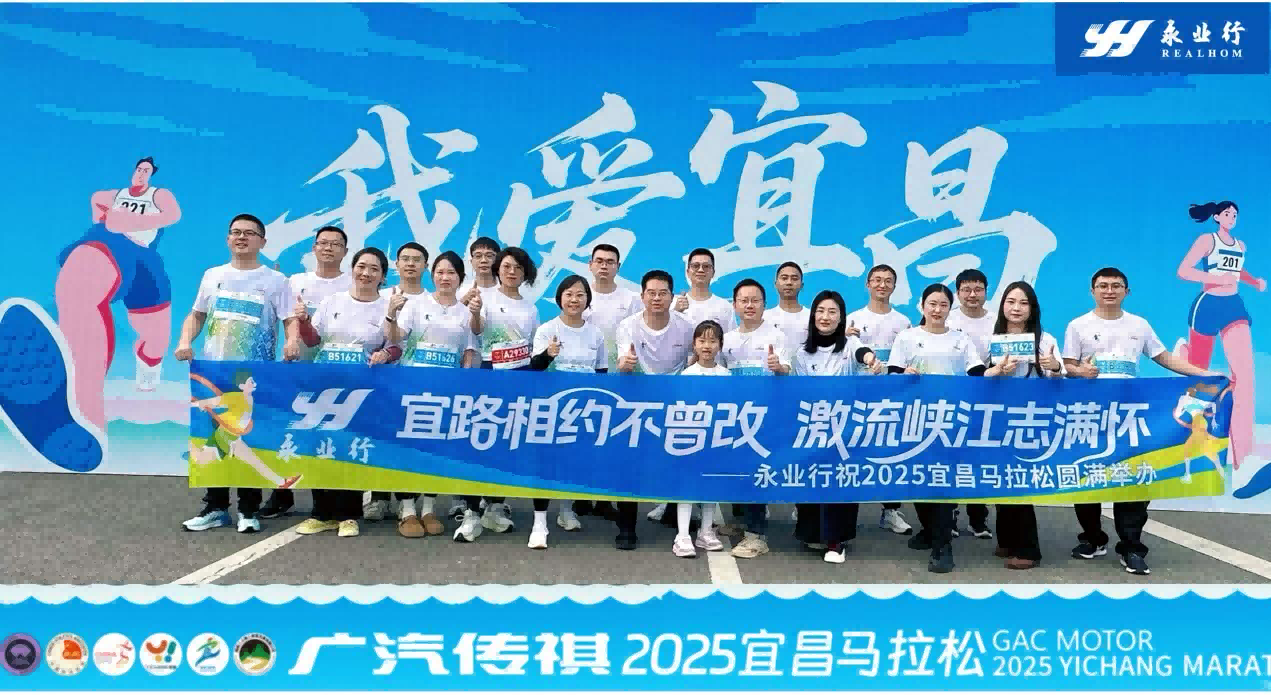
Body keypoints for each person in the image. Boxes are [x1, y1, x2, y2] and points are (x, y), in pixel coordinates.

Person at [1063, 267, 1217, 576]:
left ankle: (1131, 546)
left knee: (1134, 479)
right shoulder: (1078, 326)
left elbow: (1164, 357)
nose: (1109, 290)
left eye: (1116, 285)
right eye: (1103, 286)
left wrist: (1206, 375)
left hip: (1130, 416)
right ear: (1092, 291)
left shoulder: (1139, 325)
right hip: (1091, 415)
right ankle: (1093, 538)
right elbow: (1067, 365)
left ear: (1126, 291)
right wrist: (1080, 371)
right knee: (1086, 478)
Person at [176, 214, 292, 534]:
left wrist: (292, 341)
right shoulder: (213, 275)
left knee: (248, 439)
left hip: (253, 373)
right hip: (214, 370)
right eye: (235, 232)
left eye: (249, 233)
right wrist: (185, 342)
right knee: (214, 440)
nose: (241, 237)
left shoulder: (276, 280)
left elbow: (289, 320)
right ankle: (215, 508)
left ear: (262, 242)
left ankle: (249, 510)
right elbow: (197, 315)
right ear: (228, 239)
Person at [55, 158, 182, 438]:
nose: (141, 174)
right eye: (138, 169)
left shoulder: (157, 194)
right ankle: (83, 413)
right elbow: (97, 198)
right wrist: (104, 219)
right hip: (109, 241)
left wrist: (135, 220)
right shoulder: (117, 195)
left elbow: (173, 215)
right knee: (77, 287)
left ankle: (149, 364)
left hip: (145, 257)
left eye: (146, 171)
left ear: (151, 175)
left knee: (157, 339)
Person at [289, 247, 398, 539]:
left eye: (374, 269)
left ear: (383, 276)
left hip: (362, 389)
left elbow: (396, 345)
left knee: (351, 447)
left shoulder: (387, 307)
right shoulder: (332, 301)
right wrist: (304, 321)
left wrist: (385, 355)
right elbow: (313, 341)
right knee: (322, 445)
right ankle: (321, 514)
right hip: (325, 385)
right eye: (361, 266)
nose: (366, 273)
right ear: (353, 269)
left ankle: (349, 515)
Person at [888, 283, 990, 573]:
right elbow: (892, 373)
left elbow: (976, 372)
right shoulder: (907, 337)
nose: (937, 309)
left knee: (942, 482)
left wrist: (996, 371)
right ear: (922, 306)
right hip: (915, 419)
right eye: (932, 304)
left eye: (943, 304)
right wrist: (904, 374)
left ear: (950, 308)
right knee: (919, 480)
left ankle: (942, 546)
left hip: (950, 422)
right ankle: (930, 529)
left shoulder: (960, 339)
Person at [260, 226, 351, 520]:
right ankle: (281, 494)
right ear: (313, 248)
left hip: (336, 372)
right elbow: (282, 319)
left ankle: (328, 501)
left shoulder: (351, 284)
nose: (328, 248)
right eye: (323, 243)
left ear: (345, 251)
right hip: (297, 368)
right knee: (288, 431)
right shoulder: (295, 282)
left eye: (335, 244)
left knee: (326, 435)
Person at [1173, 201, 1265, 488]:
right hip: (1207, 306)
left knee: (1244, 375)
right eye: (1227, 214)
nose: (1232, 218)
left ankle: (1242, 455)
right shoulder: (1207, 240)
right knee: (1198, 372)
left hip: (1233, 306)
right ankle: (1183, 356)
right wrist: (1214, 278)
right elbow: (1184, 271)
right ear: (1216, 217)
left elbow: (1237, 272)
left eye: (1235, 214)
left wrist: (1253, 281)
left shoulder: (1240, 245)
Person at [459, 246, 542, 541]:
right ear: (498, 269)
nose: (512, 271)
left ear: (525, 273)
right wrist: (475, 312)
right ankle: (471, 512)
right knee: (478, 442)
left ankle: (495, 506)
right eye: (506, 266)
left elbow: (533, 347)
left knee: (506, 443)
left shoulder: (531, 308)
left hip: (519, 380)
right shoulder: (484, 297)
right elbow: (477, 330)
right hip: (489, 376)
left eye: (518, 267)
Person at [794, 290, 882, 565]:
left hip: (845, 428)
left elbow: (863, 354)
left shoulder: (849, 344)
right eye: (821, 311)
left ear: (841, 317)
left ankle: (836, 541)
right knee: (813, 480)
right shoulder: (802, 353)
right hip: (814, 426)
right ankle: (812, 532)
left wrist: (870, 360)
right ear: (813, 316)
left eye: (832, 312)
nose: (826, 317)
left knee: (839, 482)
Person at [983, 281, 1063, 570]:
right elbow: (977, 374)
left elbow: (1059, 378)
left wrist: (1054, 367)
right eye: (1011, 302)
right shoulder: (991, 338)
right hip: (996, 419)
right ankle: (1006, 540)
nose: (1016, 308)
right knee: (1000, 480)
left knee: (1020, 483)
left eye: (1023, 303)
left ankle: (1029, 550)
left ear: (1032, 308)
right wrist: (995, 370)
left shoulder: (1045, 340)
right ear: (1002, 306)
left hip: (1029, 419)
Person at [654, 247, 737, 528]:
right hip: (683, 381)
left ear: (713, 271)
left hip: (713, 383)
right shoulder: (675, 303)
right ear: (687, 271)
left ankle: (706, 510)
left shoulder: (723, 307)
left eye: (706, 266)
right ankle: (670, 503)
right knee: (680, 444)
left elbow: (727, 344)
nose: (700, 270)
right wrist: (674, 312)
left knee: (708, 448)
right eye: (695, 266)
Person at [524, 274, 608, 549]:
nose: (574, 299)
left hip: (584, 410)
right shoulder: (547, 329)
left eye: (580, 295)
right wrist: (548, 354)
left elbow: (601, 371)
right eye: (569, 294)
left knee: (574, 462)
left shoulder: (595, 333)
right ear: (560, 298)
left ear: (587, 300)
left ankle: (566, 509)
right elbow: (534, 369)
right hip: (552, 409)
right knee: (546, 465)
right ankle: (539, 523)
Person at [614, 269, 697, 549]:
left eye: (663, 293)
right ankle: (627, 528)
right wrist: (625, 366)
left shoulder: (686, 326)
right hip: (637, 403)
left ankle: (674, 512)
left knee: (678, 458)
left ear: (672, 297)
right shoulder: (628, 326)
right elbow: (623, 360)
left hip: (675, 402)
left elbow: (693, 361)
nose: (657, 298)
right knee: (630, 464)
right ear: (642, 296)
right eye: (651, 293)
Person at [719, 278, 794, 560]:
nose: (749, 305)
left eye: (755, 300)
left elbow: (787, 370)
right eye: (744, 300)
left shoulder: (777, 336)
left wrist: (778, 368)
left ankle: (757, 536)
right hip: (734, 417)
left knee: (756, 473)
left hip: (764, 419)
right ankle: (741, 520)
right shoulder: (727, 338)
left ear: (764, 304)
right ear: (735, 305)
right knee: (738, 471)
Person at [365, 242, 435, 529]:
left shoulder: (431, 301)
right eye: (404, 259)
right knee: (383, 439)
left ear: (425, 266)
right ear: (395, 265)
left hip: (416, 382)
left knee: (411, 442)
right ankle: (379, 497)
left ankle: (410, 502)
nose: (410, 264)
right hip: (381, 379)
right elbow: (373, 337)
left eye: (416, 260)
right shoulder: (381, 297)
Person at [844, 264, 914, 536]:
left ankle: (890, 511)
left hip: (891, 397)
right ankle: (843, 509)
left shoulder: (903, 322)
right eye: (877, 280)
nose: (882, 285)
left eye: (888, 281)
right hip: (859, 396)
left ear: (894, 286)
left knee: (890, 453)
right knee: (853, 451)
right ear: (867, 284)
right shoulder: (853, 318)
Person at [578, 243, 642, 521]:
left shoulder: (630, 299)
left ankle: (606, 497)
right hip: (586, 376)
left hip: (620, 379)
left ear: (618, 267)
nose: (604, 266)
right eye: (599, 261)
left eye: (610, 262)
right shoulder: (580, 295)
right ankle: (581, 496)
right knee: (584, 437)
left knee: (613, 440)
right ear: (590, 265)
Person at [946, 268, 996, 541]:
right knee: (953, 457)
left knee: (979, 457)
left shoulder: (996, 320)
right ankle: (950, 515)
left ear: (986, 291)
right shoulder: (947, 317)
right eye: (966, 289)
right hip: (952, 398)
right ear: (958, 293)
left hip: (987, 398)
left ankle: (978, 518)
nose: (972, 294)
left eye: (978, 289)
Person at [673, 320, 731, 558]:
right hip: (690, 439)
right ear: (694, 344)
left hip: (716, 440)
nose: (707, 346)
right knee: (687, 487)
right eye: (702, 340)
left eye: (712, 341)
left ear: (720, 345)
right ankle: (682, 536)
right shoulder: (687, 375)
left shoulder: (726, 375)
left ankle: (706, 532)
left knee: (710, 486)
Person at [1173, 383, 1227, 485]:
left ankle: (1188, 475)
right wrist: (1212, 417)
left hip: (1199, 424)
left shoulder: (1185, 398)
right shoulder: (1198, 401)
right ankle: (1189, 475)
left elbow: (1177, 413)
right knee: (1191, 449)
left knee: (1193, 448)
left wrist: (1178, 413)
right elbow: (1213, 405)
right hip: (1199, 424)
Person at [764, 262, 810, 347]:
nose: (789, 282)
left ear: (802, 285)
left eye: (794, 279)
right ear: (776, 284)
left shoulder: (811, 317)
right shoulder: (764, 317)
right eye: (784, 278)